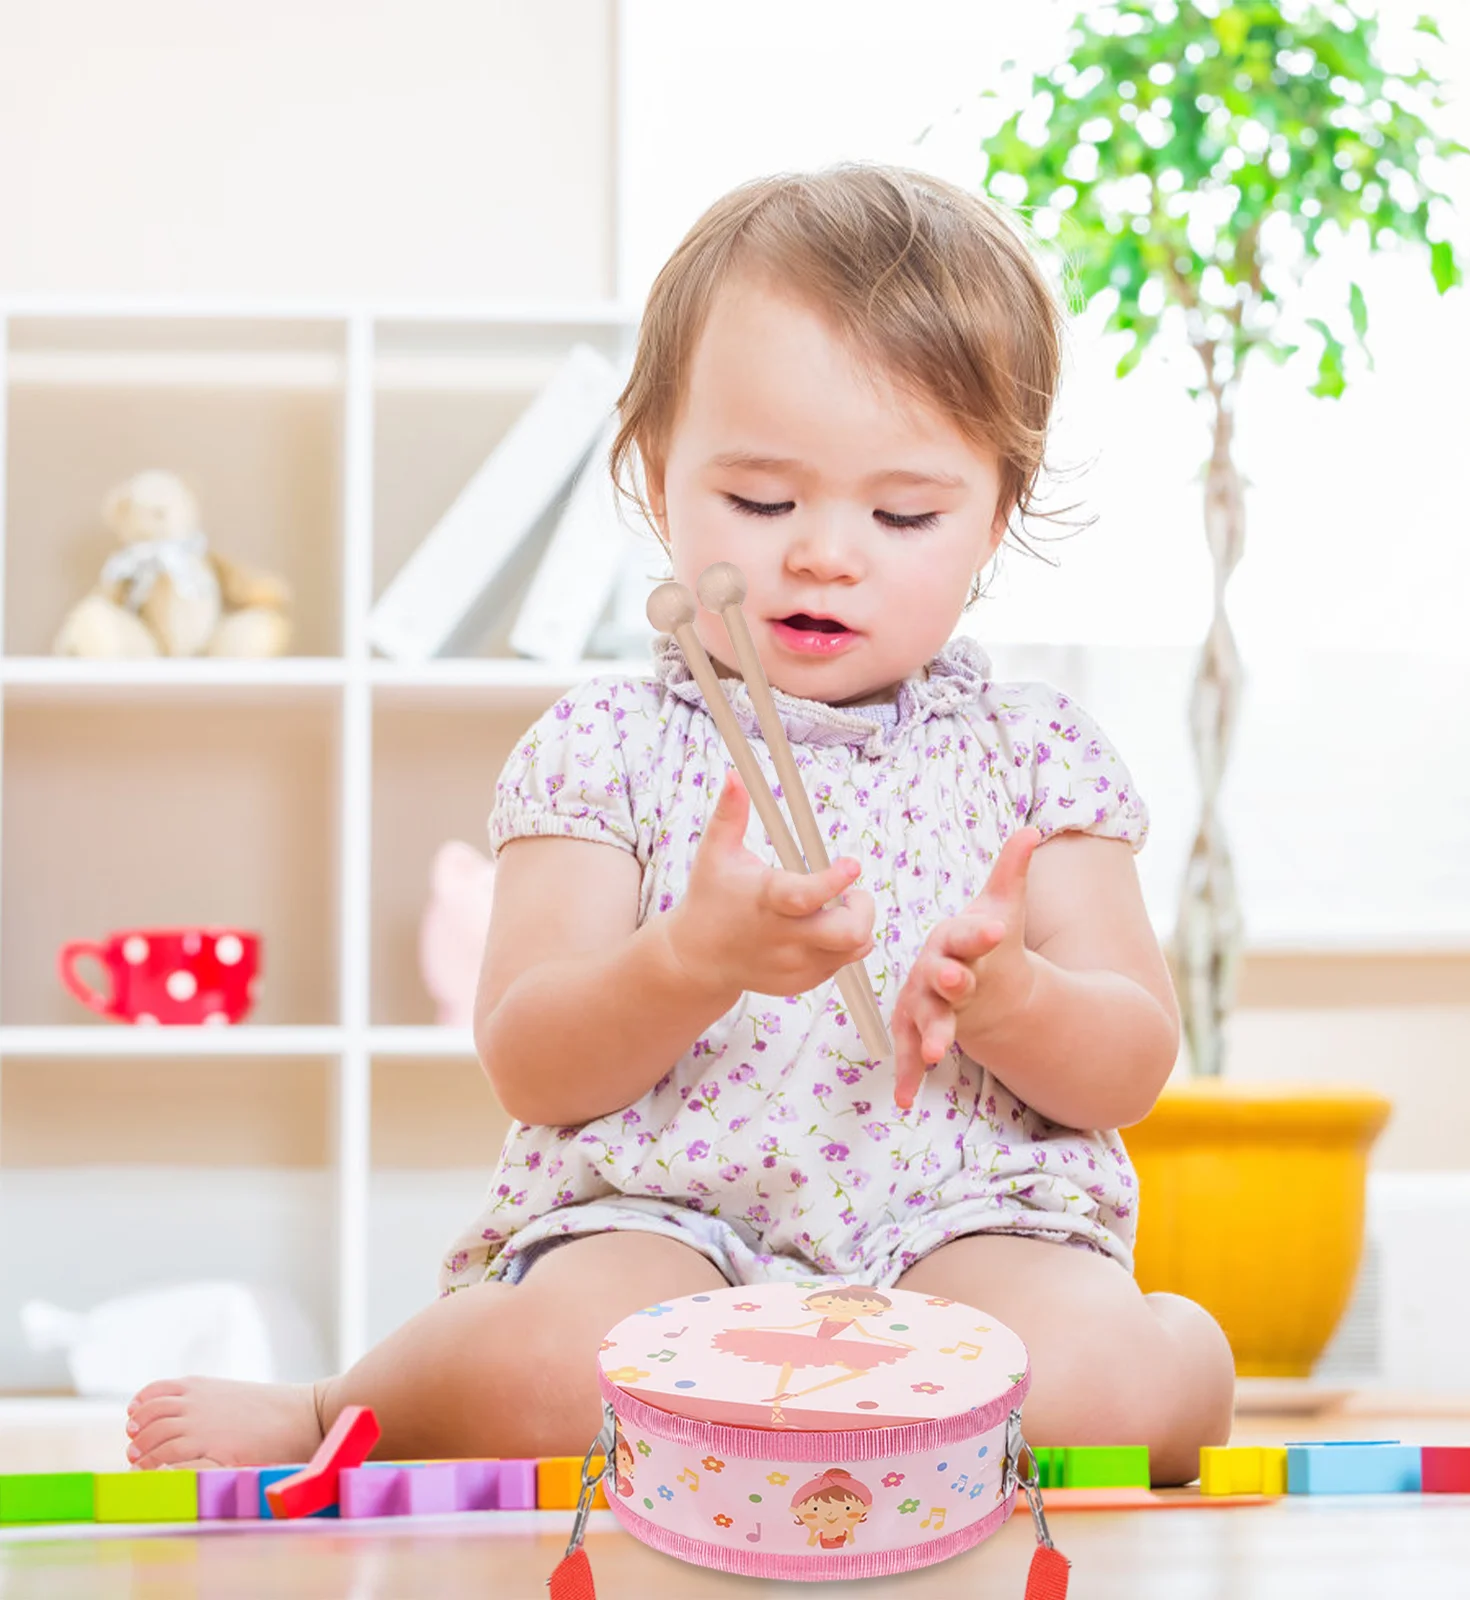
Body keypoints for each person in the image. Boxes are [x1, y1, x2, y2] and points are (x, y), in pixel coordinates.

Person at [124, 163, 1233, 1486]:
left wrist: (1014, 999)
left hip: (966, 1233)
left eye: (905, 513)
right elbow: (534, 1060)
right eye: (761, 503)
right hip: (663, 1235)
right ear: (657, 478)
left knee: (1104, 1389)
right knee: (547, 1377)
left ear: (996, 513)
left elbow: (1130, 1062)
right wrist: (689, 964)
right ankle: (334, 1409)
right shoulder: (609, 745)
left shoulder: (1035, 750)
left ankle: (1140, 1359)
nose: (825, 552)